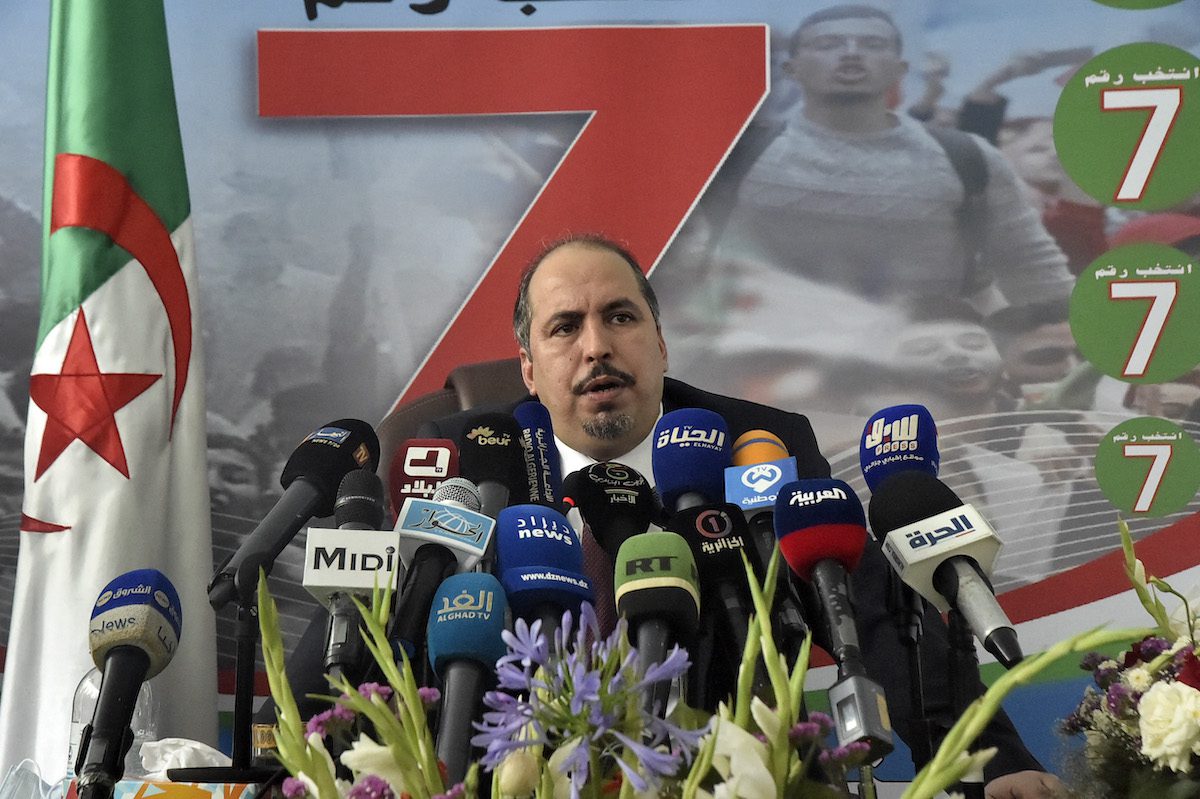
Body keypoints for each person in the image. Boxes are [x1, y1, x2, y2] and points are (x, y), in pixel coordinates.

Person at [420, 234, 1067, 797]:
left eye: (620, 317)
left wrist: (991, 760)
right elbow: (408, 630)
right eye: (564, 327)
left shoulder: (757, 443)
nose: (596, 346)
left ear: (660, 344)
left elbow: (869, 613)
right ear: (529, 369)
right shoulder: (471, 461)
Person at [716, 5, 1074, 316]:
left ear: (899, 69)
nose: (851, 54)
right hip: (769, 357)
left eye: (873, 45)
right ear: (791, 68)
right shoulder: (737, 153)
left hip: (929, 359)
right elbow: (692, 259)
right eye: (828, 44)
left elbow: (1031, 265)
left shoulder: (967, 157)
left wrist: (1071, 341)